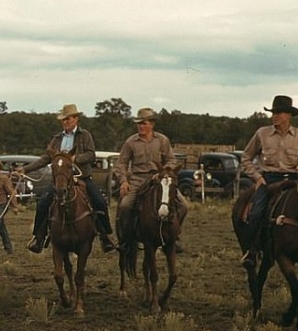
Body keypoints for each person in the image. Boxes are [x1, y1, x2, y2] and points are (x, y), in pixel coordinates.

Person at [20, 103, 117, 254]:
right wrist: (25, 169)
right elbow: (45, 158)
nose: (65, 122)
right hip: (61, 180)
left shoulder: (85, 136)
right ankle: (38, 237)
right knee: (43, 203)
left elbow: (91, 155)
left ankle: (105, 237)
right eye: (63, 119)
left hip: (82, 178)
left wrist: (74, 158)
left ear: (76, 119)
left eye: (68, 119)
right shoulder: (56, 139)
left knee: (99, 202)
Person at [239, 95, 298, 266]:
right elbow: (246, 157)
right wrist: (257, 177)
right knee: (257, 212)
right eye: (273, 112)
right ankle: (252, 251)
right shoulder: (262, 134)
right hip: (269, 181)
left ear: (289, 115)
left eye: (279, 113)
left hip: (294, 181)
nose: (275, 116)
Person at [114, 107, 188, 255]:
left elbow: (171, 160)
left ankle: (174, 235)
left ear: (152, 124)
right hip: (138, 179)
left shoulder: (162, 140)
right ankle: (127, 239)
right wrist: (123, 181)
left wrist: (163, 172)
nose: (141, 126)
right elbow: (121, 163)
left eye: (144, 123)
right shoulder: (131, 142)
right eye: (139, 123)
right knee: (125, 206)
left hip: (159, 179)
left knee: (184, 206)